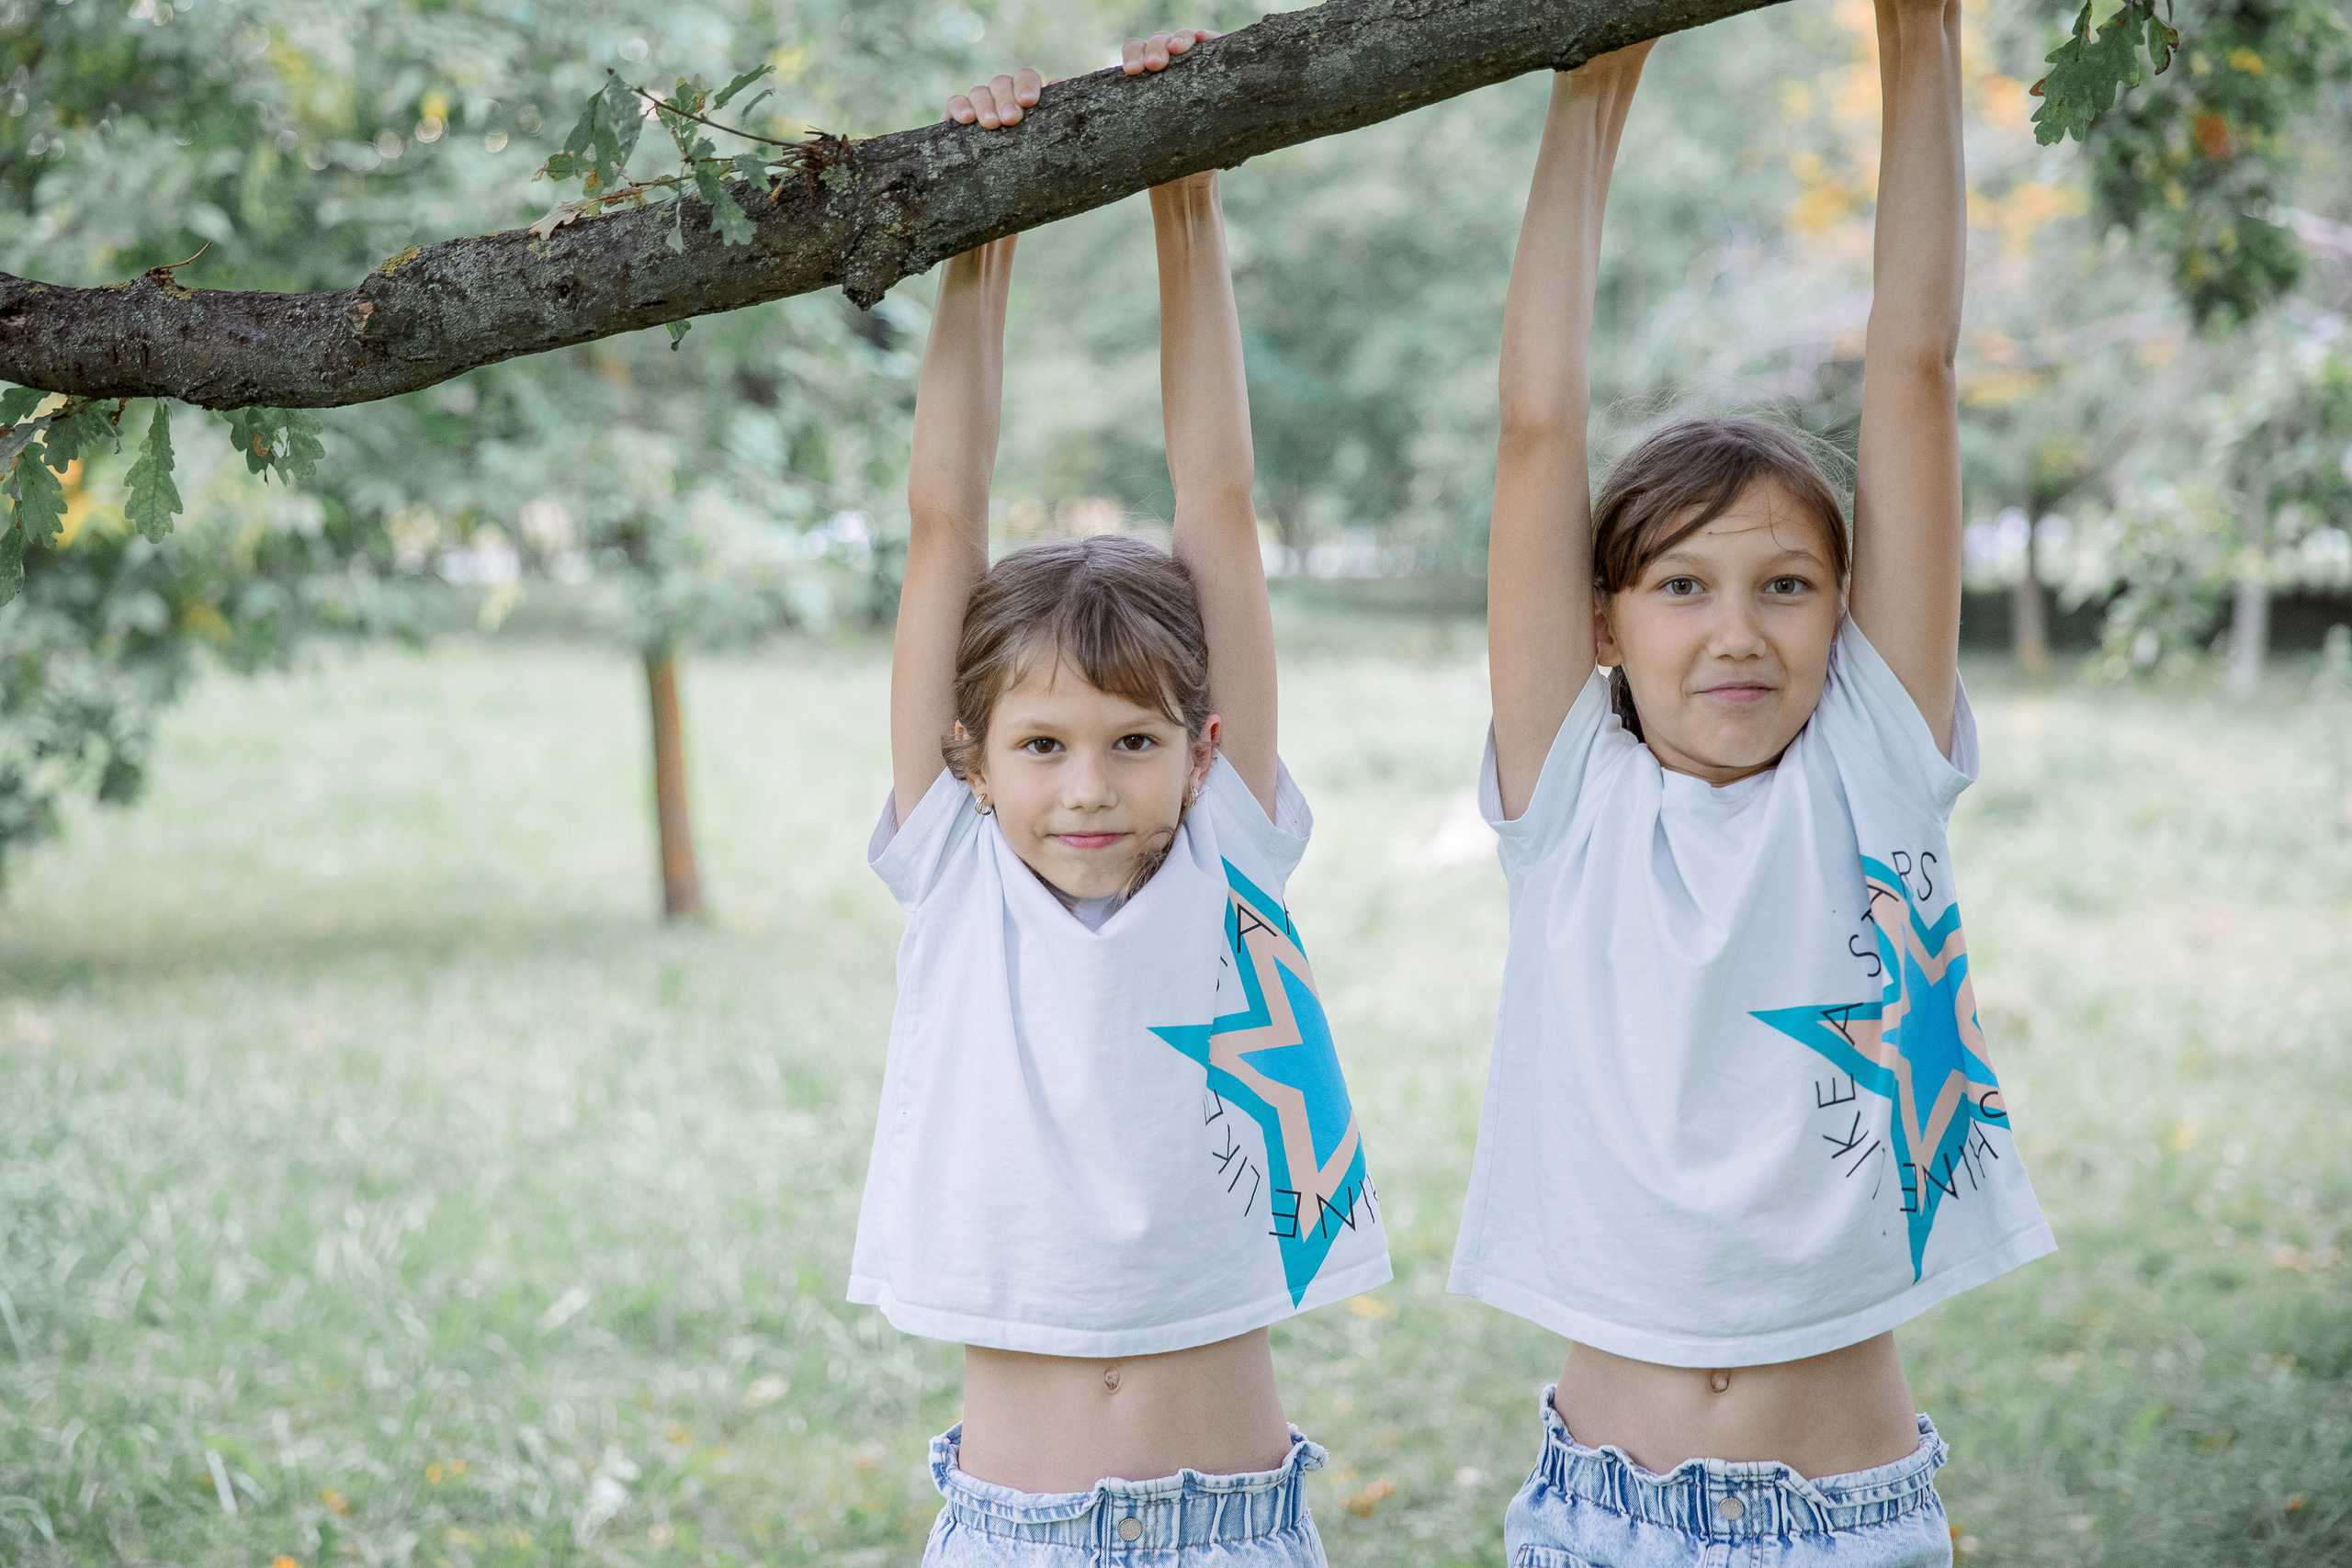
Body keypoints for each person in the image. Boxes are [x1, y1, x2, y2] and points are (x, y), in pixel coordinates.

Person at [1452, 6, 2054, 1564]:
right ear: (1603, 624)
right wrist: (1586, 101)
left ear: (1845, 616)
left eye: (1788, 586)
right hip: (1598, 1518)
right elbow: (1536, 435)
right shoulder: (1569, 793)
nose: (1737, 630)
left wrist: (1919, 39)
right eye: (1680, 588)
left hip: (1847, 1520)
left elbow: (1913, 367)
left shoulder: (1874, 764)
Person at [852, 30, 1390, 1567]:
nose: (1088, 787)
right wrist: (982, 229)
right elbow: (940, 520)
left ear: (1205, 744)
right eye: (1041, 747)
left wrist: (1185, 197)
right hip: (1006, 1527)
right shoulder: (950, 866)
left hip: (1236, 1527)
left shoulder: (1231, 842)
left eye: (1134, 745)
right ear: (966, 757)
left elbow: (1215, 499)